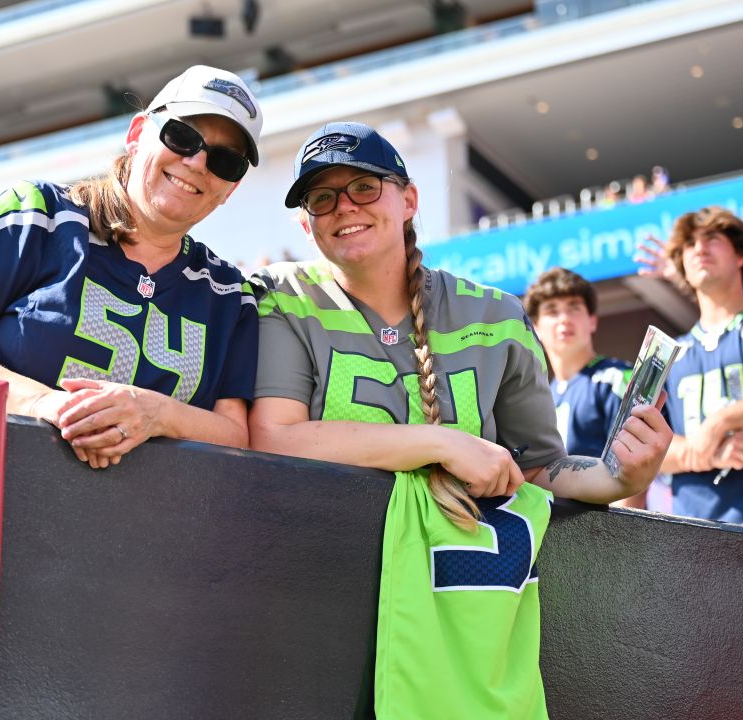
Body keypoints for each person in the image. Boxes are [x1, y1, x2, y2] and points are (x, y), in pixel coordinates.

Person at [249, 122, 672, 719]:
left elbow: (540, 467)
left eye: (365, 188)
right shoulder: (283, 297)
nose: (344, 207)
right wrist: (441, 443)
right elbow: (276, 438)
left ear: (409, 199)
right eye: (323, 199)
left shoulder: (497, 315)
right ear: (305, 223)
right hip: (323, 608)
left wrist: (619, 477)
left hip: (466, 614)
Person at [0, 65, 263, 468]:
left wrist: (155, 414)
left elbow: (236, 437)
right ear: (137, 133)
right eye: (182, 136)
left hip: (145, 526)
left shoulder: (229, 293)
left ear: (231, 188)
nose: (197, 162)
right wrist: (45, 405)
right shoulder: (37, 216)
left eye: (226, 161)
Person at [657, 207, 743, 522]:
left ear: (741, 256)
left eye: (712, 239)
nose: (699, 248)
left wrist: (721, 421)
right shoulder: (665, 353)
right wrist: (702, 452)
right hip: (691, 536)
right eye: (689, 244)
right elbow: (641, 445)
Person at [523, 268, 645, 508]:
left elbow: (636, 467)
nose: (564, 319)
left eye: (574, 308)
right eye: (552, 311)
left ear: (592, 320)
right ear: (536, 327)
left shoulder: (617, 379)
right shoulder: (540, 395)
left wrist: (618, 539)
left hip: (608, 535)